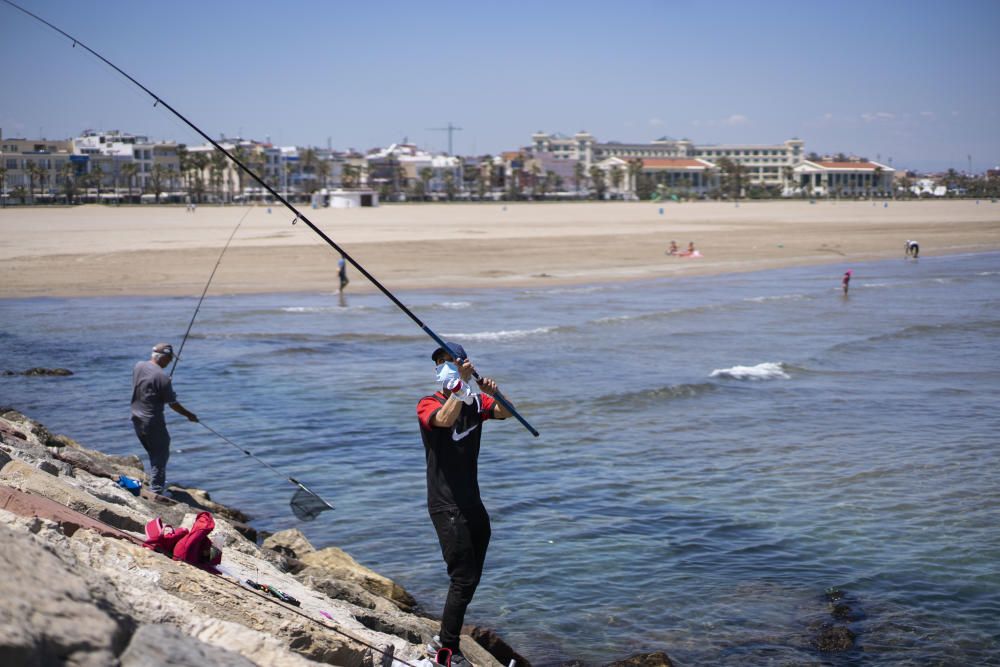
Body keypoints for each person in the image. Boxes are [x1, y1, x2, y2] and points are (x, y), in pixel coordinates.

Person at [417, 342, 511, 666]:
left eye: (448, 361)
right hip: (446, 504)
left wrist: (494, 392)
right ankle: (447, 649)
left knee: (472, 576)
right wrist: (462, 388)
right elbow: (443, 420)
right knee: (462, 576)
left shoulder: (474, 401)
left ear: (463, 364)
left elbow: (505, 412)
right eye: (439, 363)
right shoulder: (428, 403)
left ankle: (444, 636)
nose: (442, 367)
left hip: (473, 502)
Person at [131, 343, 198, 495]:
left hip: (136, 418)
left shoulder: (139, 366)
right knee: (161, 454)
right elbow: (173, 404)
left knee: (153, 453)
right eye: (169, 359)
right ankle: (156, 490)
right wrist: (189, 415)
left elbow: (149, 383)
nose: (170, 362)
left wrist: (163, 384)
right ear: (164, 357)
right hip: (152, 421)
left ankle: (155, 483)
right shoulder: (162, 378)